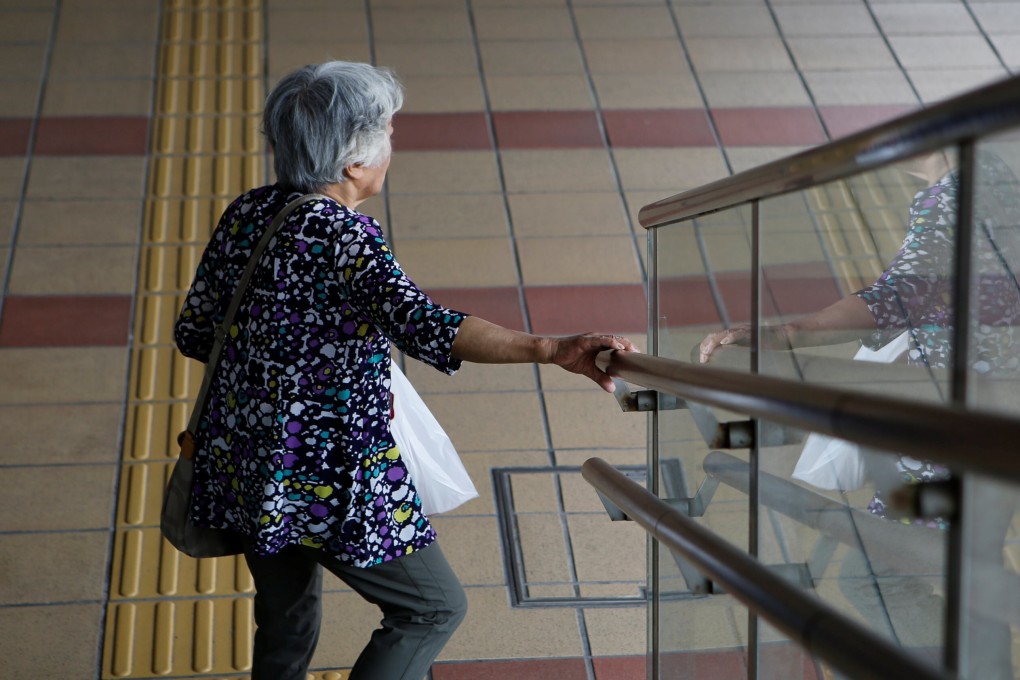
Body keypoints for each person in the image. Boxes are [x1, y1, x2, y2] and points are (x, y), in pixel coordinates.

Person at [173, 61, 636, 680]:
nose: (396, 143)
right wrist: (550, 349)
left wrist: (280, 374)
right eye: (388, 131)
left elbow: (195, 331)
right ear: (353, 164)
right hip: (328, 473)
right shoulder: (347, 238)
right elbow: (427, 325)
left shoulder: (251, 212)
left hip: (249, 460)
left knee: (286, 614)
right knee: (431, 610)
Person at [698, 148, 1020, 677]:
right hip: (993, 420)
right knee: (965, 573)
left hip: (954, 436)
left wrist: (788, 334)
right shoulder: (999, 181)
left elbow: (903, 292)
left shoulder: (950, 200)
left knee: (873, 579)